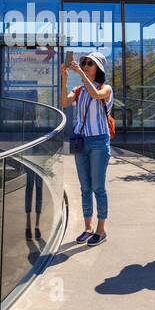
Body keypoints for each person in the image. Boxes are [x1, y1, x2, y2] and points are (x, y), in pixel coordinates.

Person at [60, 51, 114, 246]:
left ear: (97, 68)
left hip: (99, 140)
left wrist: (81, 75)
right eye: (84, 62)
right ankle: (87, 228)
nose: (85, 65)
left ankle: (101, 230)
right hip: (81, 140)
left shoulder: (106, 88)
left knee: (98, 187)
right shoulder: (79, 90)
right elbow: (64, 102)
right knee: (85, 187)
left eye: (90, 63)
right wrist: (65, 79)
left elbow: (96, 94)